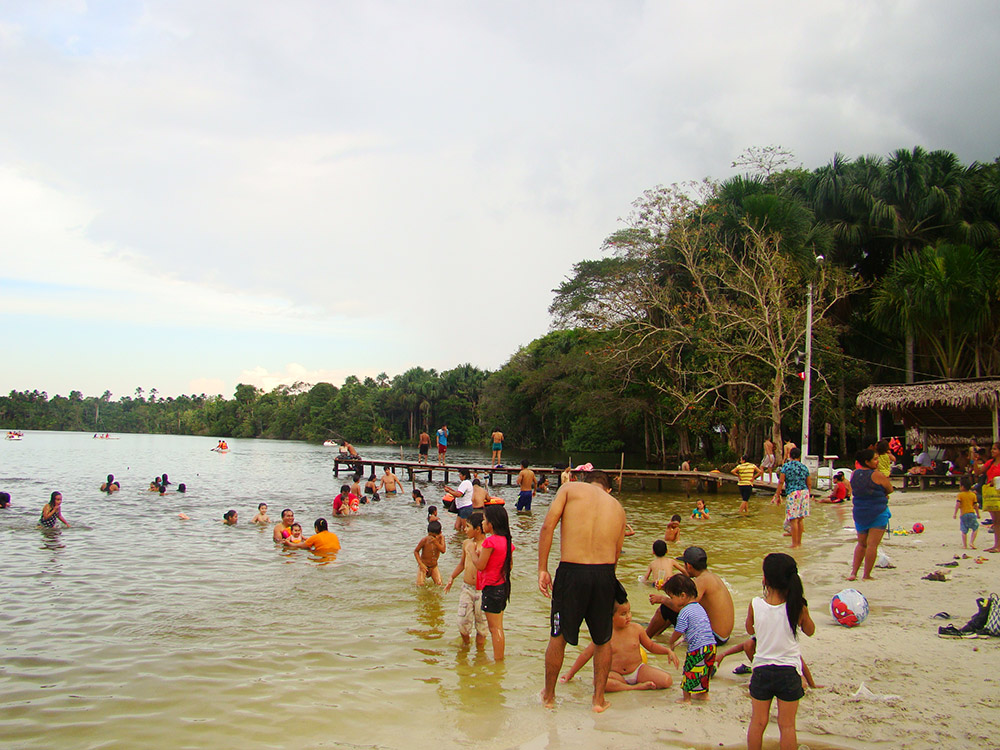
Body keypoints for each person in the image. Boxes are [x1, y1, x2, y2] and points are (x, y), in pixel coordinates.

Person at [538, 470, 627, 712]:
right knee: (603, 640)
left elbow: (548, 526)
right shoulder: (617, 507)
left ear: (586, 482)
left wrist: (542, 569)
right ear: (607, 488)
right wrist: (608, 584)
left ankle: (549, 696)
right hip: (604, 574)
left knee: (558, 636)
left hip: (572, 572)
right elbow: (617, 552)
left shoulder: (569, 489)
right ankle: (598, 700)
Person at [746, 553, 815, 750]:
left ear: (765, 579)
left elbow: (750, 630)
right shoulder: (797, 606)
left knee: (758, 723)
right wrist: (804, 613)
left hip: (762, 670)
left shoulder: (755, 604)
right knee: (787, 726)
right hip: (789, 671)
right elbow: (810, 631)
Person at [560, 599, 679, 692]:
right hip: (616, 674)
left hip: (637, 670)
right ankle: (634, 688)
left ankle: (628, 685)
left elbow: (651, 646)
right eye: (623, 614)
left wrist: (667, 651)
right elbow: (586, 654)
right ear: (610, 616)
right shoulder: (604, 634)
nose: (628, 616)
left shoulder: (636, 629)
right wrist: (570, 674)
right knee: (599, 683)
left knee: (666, 681)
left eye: (629, 612)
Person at [646, 546, 734, 646]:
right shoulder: (712, 577)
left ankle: (644, 638)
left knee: (666, 608)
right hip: (723, 636)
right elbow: (684, 598)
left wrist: (662, 599)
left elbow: (683, 606)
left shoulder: (701, 581)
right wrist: (665, 588)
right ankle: (656, 636)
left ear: (689, 566)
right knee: (671, 608)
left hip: (713, 637)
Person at [664, 574, 717, 703]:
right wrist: (682, 640)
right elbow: (698, 629)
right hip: (711, 645)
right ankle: (703, 694)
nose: (671, 601)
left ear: (682, 596)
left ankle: (686, 698)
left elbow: (678, 631)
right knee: (704, 671)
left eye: (672, 597)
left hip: (698, 648)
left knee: (689, 671)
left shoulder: (684, 612)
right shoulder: (699, 608)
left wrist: (671, 642)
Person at [472, 504, 513, 661]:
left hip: (491, 588)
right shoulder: (507, 541)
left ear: (491, 523)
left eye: (484, 520)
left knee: (494, 629)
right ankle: (499, 660)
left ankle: (498, 661)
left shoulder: (490, 542)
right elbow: (509, 565)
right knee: (499, 627)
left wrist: (472, 553)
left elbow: (480, 566)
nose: (482, 523)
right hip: (502, 587)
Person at [848, 448, 894, 581]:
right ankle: (866, 575)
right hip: (877, 512)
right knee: (872, 545)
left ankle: (853, 573)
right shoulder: (877, 475)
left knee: (861, 544)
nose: (877, 461)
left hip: (859, 512)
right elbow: (889, 489)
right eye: (875, 459)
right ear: (867, 462)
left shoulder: (854, 474)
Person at [445, 512, 489, 646]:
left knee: (482, 625)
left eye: (468, 527)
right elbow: (462, 564)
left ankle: (479, 654)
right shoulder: (466, 543)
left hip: (483, 591)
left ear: (478, 529)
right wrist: (452, 577)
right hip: (467, 588)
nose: (465, 529)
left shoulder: (488, 544)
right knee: (462, 622)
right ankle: (465, 646)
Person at [774, 447, 810, 548]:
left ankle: (794, 544)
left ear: (790, 455)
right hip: (804, 492)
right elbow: (809, 483)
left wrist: (777, 495)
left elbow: (781, 481)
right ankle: (799, 542)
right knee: (800, 519)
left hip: (793, 493)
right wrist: (808, 494)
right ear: (799, 456)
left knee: (793, 519)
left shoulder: (786, 467)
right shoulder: (804, 467)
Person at [981, 442, 1000, 553]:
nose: (992, 451)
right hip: (992, 494)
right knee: (996, 521)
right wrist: (974, 460)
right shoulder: (990, 463)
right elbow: (979, 472)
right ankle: (996, 544)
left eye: (995, 449)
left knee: (998, 520)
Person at [414, 520, 447, 585]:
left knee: (439, 584)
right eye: (430, 535)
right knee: (420, 585)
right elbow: (416, 551)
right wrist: (421, 564)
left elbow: (443, 550)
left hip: (434, 566)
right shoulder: (425, 540)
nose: (431, 538)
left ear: (440, 533)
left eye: (434, 536)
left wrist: (436, 542)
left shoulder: (441, 539)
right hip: (424, 566)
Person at [954, 475, 981, 549]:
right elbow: (975, 505)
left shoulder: (960, 495)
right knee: (975, 528)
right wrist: (978, 514)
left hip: (963, 514)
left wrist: (955, 513)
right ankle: (972, 542)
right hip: (971, 513)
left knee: (964, 530)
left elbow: (958, 504)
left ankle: (965, 545)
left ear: (962, 486)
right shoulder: (973, 495)